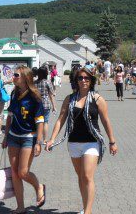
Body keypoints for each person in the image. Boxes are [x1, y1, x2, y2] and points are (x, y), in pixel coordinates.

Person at [46, 66, 118, 214]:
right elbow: (61, 119)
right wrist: (52, 139)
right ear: (76, 81)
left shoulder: (98, 99)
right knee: (80, 177)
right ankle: (85, 206)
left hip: (92, 142)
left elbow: (105, 121)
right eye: (80, 78)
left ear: (91, 80)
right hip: (73, 142)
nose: (84, 80)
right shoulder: (70, 98)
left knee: (87, 176)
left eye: (87, 78)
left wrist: (112, 141)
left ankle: (88, 211)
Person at [1, 66, 46, 213]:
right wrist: (6, 136)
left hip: (29, 137)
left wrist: (39, 142)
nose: (13, 77)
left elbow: (40, 120)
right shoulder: (14, 93)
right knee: (14, 172)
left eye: (16, 75)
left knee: (23, 172)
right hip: (14, 136)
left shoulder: (35, 96)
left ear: (25, 78)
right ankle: (20, 207)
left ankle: (39, 186)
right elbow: (10, 116)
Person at [35, 66, 56, 144]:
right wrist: (54, 106)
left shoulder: (35, 82)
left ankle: (38, 139)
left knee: (38, 121)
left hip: (37, 104)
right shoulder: (48, 82)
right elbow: (51, 95)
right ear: (46, 73)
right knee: (45, 122)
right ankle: (44, 140)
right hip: (46, 104)